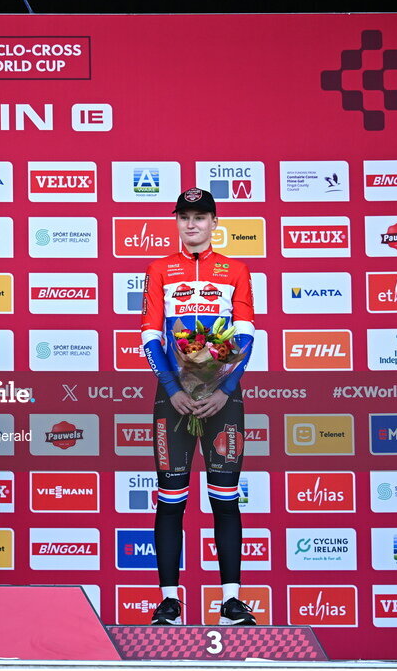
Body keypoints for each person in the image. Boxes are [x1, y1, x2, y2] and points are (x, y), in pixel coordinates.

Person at [140, 187, 257, 625]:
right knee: (171, 500)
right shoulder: (159, 269)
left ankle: (231, 603)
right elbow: (150, 336)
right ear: (177, 222)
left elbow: (244, 336)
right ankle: (169, 601)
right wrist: (173, 389)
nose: (192, 224)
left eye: (200, 217)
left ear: (214, 222)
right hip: (174, 400)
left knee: (225, 500)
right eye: (184, 217)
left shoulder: (236, 269)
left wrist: (225, 389)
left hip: (223, 400)